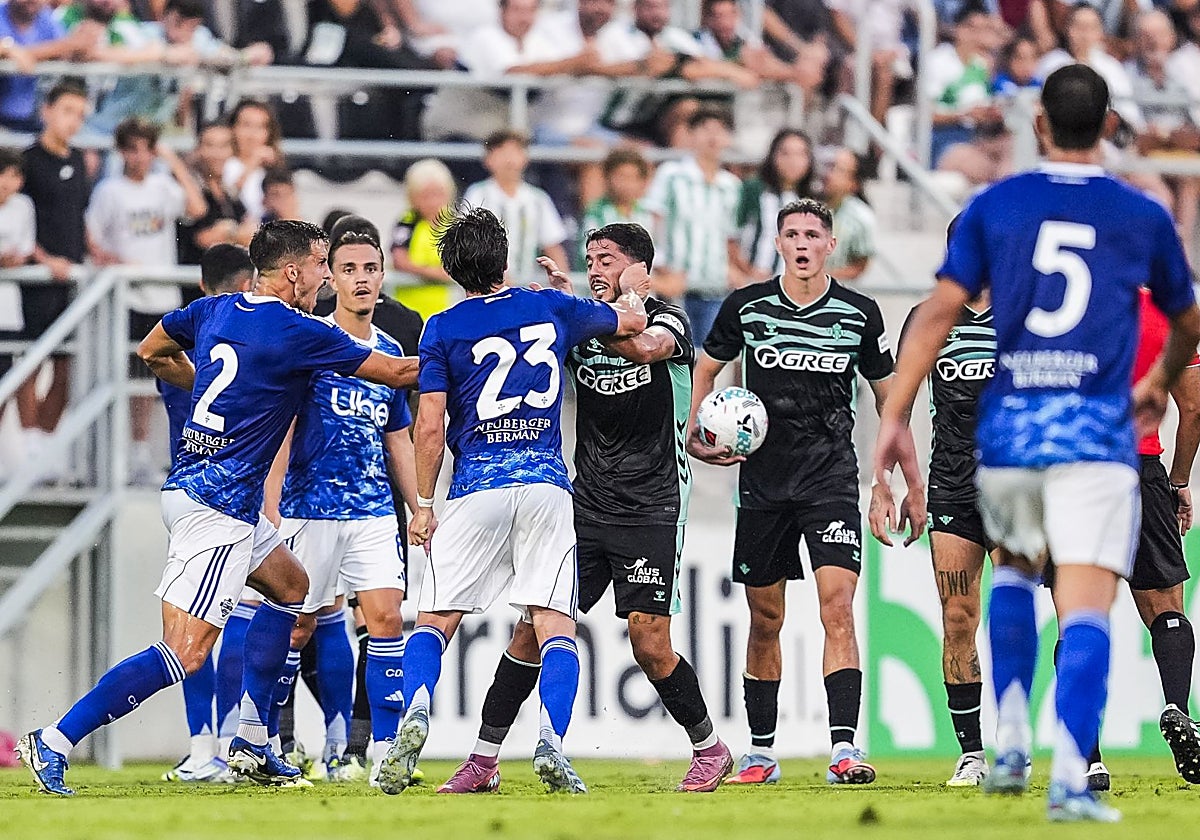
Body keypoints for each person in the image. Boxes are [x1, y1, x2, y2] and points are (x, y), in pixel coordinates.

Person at [874, 64, 1200, 822]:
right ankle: (1068, 778)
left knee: (1013, 581)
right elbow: (1187, 319)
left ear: (1040, 125)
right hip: (1095, 434)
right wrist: (1155, 384)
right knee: (1085, 606)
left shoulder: (999, 206)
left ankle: (1010, 734)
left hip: (1014, 430)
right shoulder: (1141, 212)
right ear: (1110, 123)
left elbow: (934, 314)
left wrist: (895, 415)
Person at [16, 220, 420, 796]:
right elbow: (400, 371)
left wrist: (206, 391)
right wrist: (468, 349)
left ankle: (254, 739)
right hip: (218, 506)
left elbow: (151, 350)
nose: (326, 275)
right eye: (321, 264)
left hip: (205, 489)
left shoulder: (214, 310)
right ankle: (54, 739)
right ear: (293, 272)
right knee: (184, 652)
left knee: (290, 584)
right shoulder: (298, 330)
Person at [437, 223, 733, 795]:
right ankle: (483, 760)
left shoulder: (668, 319)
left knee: (648, 640)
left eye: (608, 259)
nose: (596, 267)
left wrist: (608, 305)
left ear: (639, 267)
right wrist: (567, 307)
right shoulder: (580, 322)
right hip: (584, 502)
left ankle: (709, 748)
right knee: (531, 631)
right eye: (591, 259)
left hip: (653, 503)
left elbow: (641, 345)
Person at [373, 207, 649, 795]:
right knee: (555, 628)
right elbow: (629, 322)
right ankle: (551, 739)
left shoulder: (442, 328)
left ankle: (418, 707)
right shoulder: (548, 306)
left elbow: (428, 426)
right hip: (547, 485)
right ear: (504, 255)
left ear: (451, 270)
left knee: (436, 618)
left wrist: (423, 504)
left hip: (477, 485)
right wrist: (630, 291)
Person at [687, 197, 920, 787]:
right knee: (765, 618)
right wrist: (696, 428)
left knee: (837, 607)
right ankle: (761, 753)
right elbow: (706, 365)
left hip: (830, 480)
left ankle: (844, 750)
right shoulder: (747, 307)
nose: (801, 243)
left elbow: (890, 400)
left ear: (829, 244)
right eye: (791, 233)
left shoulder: (860, 313)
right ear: (779, 243)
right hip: (763, 483)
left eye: (812, 234)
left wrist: (888, 479)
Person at [263, 226, 418, 783]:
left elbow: (398, 435)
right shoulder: (311, 341)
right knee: (298, 628)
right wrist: (273, 502)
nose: (360, 279)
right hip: (310, 506)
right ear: (331, 276)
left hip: (374, 511)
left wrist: (419, 504)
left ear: (382, 276)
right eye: (348, 269)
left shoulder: (393, 352)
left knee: (385, 621)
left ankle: (380, 752)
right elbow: (285, 427)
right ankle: (270, 739)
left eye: (369, 269)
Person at [876, 239, 996, 787]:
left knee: (1061, 611)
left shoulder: (1025, 314)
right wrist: (900, 484)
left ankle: (1081, 752)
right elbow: (895, 410)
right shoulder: (929, 319)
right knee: (957, 618)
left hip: (1020, 483)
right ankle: (972, 753)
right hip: (953, 489)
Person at [158, 243, 256, 784]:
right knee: (221, 625)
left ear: (202, 288)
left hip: (190, 490)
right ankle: (232, 742)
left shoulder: (187, 343)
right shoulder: (260, 339)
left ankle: (215, 744)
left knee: (201, 627)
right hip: (235, 497)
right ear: (251, 284)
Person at [86, 116, 208, 486]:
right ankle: (122, 455)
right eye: (132, 149)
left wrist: (173, 163)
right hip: (128, 296)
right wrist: (118, 263)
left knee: (160, 380)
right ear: (122, 151)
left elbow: (197, 209)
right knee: (124, 376)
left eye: (146, 149)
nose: (139, 157)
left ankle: (149, 453)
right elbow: (92, 240)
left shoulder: (162, 186)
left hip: (163, 296)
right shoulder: (110, 191)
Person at [19, 79, 90, 479]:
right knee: (30, 358)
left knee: (67, 362)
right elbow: (14, 216)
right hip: (37, 278)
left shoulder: (81, 160)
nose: (73, 121)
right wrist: (42, 258)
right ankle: (28, 440)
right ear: (46, 111)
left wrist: (95, 250)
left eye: (80, 114)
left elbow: (78, 214)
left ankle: (45, 444)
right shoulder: (27, 161)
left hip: (73, 277)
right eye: (66, 111)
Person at [643, 105, 743, 346]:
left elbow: (731, 237)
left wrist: (733, 268)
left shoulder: (732, 185)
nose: (713, 136)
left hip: (715, 287)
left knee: (710, 359)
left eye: (720, 130)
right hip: (676, 287)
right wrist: (661, 265)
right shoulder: (671, 175)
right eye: (705, 129)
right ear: (690, 134)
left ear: (728, 138)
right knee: (676, 359)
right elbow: (650, 222)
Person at [461, 131, 569, 287]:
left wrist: (563, 287)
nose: (509, 160)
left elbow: (552, 246)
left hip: (526, 289)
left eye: (515, 151)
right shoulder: (477, 194)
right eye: (502, 152)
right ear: (488, 159)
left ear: (525, 158)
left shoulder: (538, 199)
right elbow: (469, 245)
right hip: (487, 288)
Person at [737, 128, 815, 283]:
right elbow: (731, 236)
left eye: (801, 154)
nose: (793, 161)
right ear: (773, 155)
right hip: (751, 282)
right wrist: (746, 270)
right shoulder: (754, 189)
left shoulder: (811, 200)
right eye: (786, 153)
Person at [178, 120, 256, 267]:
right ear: (198, 149)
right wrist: (234, 233)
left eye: (223, 146)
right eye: (210, 146)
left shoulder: (229, 195)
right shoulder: (190, 190)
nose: (217, 154)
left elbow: (251, 234)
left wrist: (229, 232)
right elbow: (204, 239)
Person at [390, 158, 456, 320]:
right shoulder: (407, 221)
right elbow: (399, 260)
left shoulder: (454, 225)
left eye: (438, 194)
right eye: (426, 195)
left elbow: (459, 268)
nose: (433, 202)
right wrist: (433, 272)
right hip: (408, 311)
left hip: (446, 310)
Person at [579, 148, 654, 262]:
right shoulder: (596, 212)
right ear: (607, 178)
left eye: (632, 178)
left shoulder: (647, 212)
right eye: (621, 177)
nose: (627, 184)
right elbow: (588, 251)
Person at [223, 99, 284, 225]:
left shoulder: (272, 170)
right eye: (246, 125)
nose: (252, 135)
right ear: (232, 128)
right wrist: (252, 163)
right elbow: (227, 198)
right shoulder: (224, 164)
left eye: (260, 127)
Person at [822, 149, 876, 282]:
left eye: (839, 170)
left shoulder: (860, 217)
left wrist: (822, 278)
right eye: (829, 165)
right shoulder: (805, 204)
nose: (829, 174)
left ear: (854, 183)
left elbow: (860, 265)